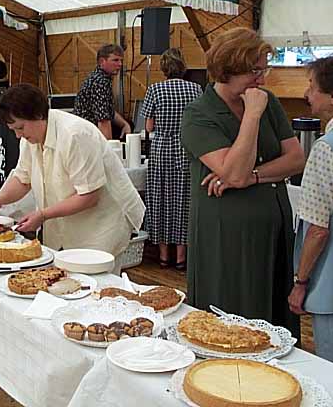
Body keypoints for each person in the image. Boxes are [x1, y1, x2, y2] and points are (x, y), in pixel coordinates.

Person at [181, 27, 305, 337]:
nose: (262, 79)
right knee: (230, 313)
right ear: (228, 68)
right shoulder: (199, 114)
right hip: (226, 232)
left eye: (264, 69)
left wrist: (252, 178)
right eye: (254, 71)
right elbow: (232, 172)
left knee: (274, 312)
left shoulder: (267, 101)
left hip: (273, 227)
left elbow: (295, 159)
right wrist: (251, 117)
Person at [0, 84, 145, 272]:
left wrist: (43, 215)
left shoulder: (75, 134)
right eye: (13, 129)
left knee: (95, 286)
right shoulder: (30, 139)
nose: (18, 135)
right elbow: (23, 178)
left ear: (37, 115)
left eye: (20, 127)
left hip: (102, 224)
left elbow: (89, 196)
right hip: (71, 223)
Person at [288, 55, 333, 362]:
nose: (307, 94)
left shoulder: (327, 148)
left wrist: (300, 282)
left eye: (311, 86)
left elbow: (318, 230)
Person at [141, 48, 202, 270]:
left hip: (161, 149)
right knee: (183, 202)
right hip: (186, 149)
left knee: (160, 201)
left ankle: (164, 256)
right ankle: (181, 257)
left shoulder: (154, 90)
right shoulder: (196, 89)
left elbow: (148, 127)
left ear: (164, 68)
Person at [73, 44, 131, 139]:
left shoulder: (99, 78)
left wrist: (125, 124)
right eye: (115, 60)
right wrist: (109, 149)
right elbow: (103, 121)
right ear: (102, 61)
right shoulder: (100, 82)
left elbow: (107, 111)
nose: (120, 64)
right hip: (87, 136)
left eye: (121, 60)